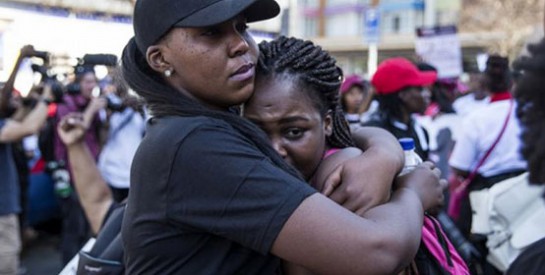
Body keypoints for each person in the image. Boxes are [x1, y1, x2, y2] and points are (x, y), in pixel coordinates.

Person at [120, 0, 444, 274]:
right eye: (211, 32)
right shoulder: (193, 144)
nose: (240, 45)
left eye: (241, 26)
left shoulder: (208, 123)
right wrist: (413, 193)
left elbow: (348, 129)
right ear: (160, 59)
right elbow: (377, 252)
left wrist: (383, 154)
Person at [243, 36, 468, 274]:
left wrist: (410, 191)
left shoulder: (346, 175)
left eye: (294, 132)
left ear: (327, 123)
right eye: (256, 130)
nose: (275, 149)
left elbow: (378, 253)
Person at [449, 55, 527, 275]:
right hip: (528, 193)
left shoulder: (476, 118)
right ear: (511, 82)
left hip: (488, 197)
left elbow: (459, 166)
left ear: (485, 84)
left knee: (488, 258)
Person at [0, 84, 52, 275]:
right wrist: (46, 99)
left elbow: (16, 121)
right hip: (2, 214)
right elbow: (28, 127)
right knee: (6, 265)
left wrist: (31, 101)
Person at [363, 57, 436, 160]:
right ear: (403, 95)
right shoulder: (373, 133)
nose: (427, 94)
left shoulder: (420, 130)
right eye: (420, 88)